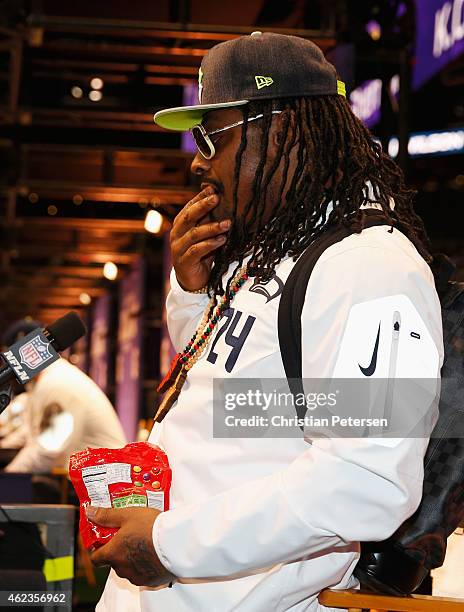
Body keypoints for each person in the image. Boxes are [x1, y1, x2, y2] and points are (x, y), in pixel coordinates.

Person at [93, 32, 443, 611]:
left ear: (279, 128)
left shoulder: (371, 268)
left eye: (211, 135)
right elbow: (240, 397)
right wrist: (191, 291)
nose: (198, 160)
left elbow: (366, 480)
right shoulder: (277, 249)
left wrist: (171, 544)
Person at [2, 320, 126, 473]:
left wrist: (8, 476)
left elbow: (49, 450)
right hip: (90, 477)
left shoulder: (57, 383)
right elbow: (32, 434)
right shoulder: (48, 380)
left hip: (107, 483)